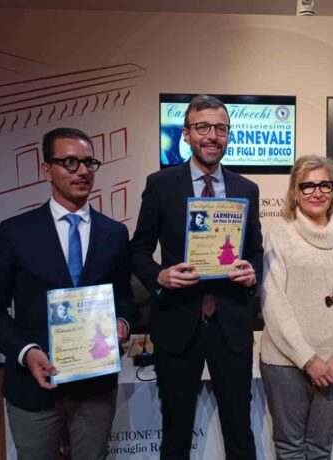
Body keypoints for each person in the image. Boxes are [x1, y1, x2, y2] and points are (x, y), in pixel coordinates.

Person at [0, 127, 135, 460]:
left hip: (95, 385)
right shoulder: (15, 232)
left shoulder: (114, 233)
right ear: (47, 169)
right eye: (70, 162)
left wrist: (122, 321)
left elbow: (124, 297)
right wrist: (26, 351)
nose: (82, 171)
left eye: (89, 162)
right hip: (33, 385)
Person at [131, 95, 263, 459]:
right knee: (176, 435)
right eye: (202, 127)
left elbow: (256, 251)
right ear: (187, 135)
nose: (212, 136)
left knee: (240, 433)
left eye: (221, 128)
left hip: (230, 325)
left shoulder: (246, 189)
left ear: (228, 135)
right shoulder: (161, 185)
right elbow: (138, 250)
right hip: (177, 325)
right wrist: (159, 276)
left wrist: (253, 272)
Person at [260, 155, 333, 459]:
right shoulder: (278, 235)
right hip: (285, 363)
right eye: (307, 186)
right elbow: (273, 304)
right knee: (290, 448)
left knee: (321, 449)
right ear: (294, 192)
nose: (317, 192)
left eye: (324, 185)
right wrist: (308, 360)